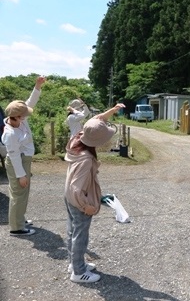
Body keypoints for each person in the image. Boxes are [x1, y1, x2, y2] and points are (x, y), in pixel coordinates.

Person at [65, 103, 125, 283]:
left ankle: (74, 263)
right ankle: (78, 272)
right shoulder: (86, 159)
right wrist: (87, 206)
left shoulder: (78, 139)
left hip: (69, 197)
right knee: (80, 236)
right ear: (97, 142)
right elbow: (77, 188)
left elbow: (96, 121)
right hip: (79, 200)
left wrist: (112, 111)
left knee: (72, 232)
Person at [2, 76, 46, 236]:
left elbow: (30, 102)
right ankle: (16, 227)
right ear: (17, 116)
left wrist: (38, 86)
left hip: (23, 160)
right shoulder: (10, 134)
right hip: (17, 163)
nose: (26, 116)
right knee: (19, 192)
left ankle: (19, 218)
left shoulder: (18, 120)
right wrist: (21, 175)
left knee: (22, 192)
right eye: (23, 115)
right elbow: (13, 157)